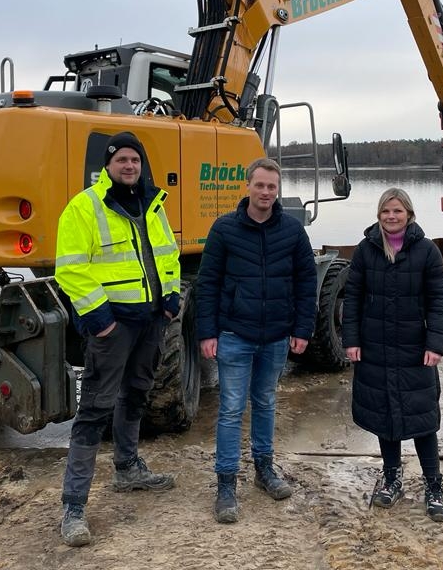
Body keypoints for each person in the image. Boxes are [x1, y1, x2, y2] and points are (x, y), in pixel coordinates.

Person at [54, 130, 182, 547]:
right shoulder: (85, 207)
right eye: (121, 160)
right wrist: (102, 320)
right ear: (108, 166)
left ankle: (128, 469)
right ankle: (73, 507)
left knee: (137, 394)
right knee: (94, 409)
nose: (129, 166)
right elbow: (70, 269)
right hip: (113, 327)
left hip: (150, 321)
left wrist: (171, 299)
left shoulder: (152, 202)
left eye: (135, 160)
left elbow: (168, 254)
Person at [196, 157, 317, 524]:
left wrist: (302, 329)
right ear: (247, 186)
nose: (266, 192)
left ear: (277, 190)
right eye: (260, 185)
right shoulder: (224, 229)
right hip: (235, 334)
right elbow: (208, 283)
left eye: (272, 187)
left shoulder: (292, 231)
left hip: (277, 335)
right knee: (231, 408)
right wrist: (207, 332)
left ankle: (265, 470)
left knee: (265, 402)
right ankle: (226, 484)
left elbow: (306, 282)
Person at [341, 187, 443, 522]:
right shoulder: (366, 250)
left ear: (409, 214)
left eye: (397, 211)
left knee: (422, 419)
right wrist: (352, 340)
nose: (391, 217)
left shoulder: (427, 251)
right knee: (384, 417)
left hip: (414, 349)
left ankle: (434, 485)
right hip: (374, 348)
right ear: (379, 215)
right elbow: (353, 299)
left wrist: (435, 344)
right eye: (386, 211)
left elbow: (438, 300)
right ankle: (392, 478)